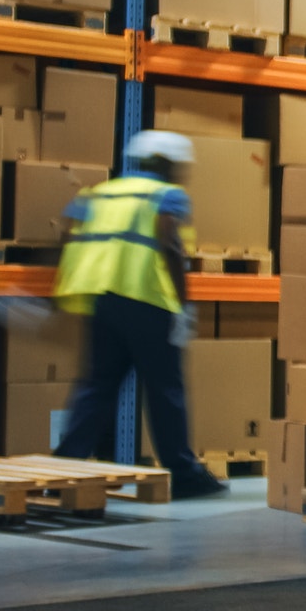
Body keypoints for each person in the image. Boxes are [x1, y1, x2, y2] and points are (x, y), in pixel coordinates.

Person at [50, 130, 225, 498]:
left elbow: (67, 232)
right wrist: (183, 306)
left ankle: (65, 466)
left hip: (102, 300)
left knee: (96, 385)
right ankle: (183, 474)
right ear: (167, 164)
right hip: (147, 301)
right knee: (165, 388)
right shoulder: (167, 196)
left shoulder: (100, 192)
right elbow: (169, 245)